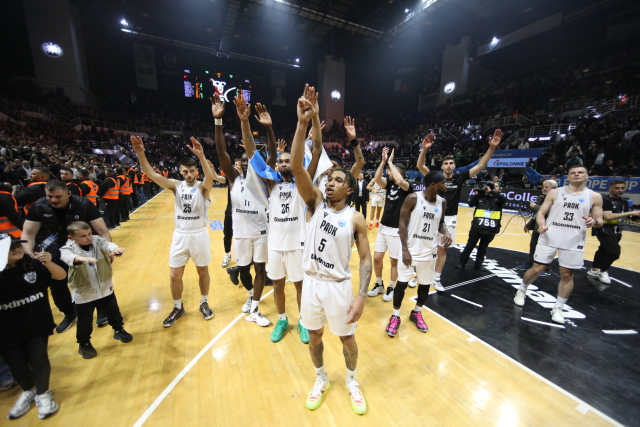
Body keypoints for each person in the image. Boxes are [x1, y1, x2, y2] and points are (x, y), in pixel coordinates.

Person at [291, 85, 371, 415]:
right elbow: (297, 167)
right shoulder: (315, 203)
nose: (330, 182)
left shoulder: (356, 218)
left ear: (350, 189)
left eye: (338, 180)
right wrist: (303, 124)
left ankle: (352, 380)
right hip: (312, 282)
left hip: (339, 286)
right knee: (314, 336)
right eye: (329, 179)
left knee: (347, 339)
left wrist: (362, 295)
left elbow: (365, 259)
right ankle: (321, 378)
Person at [235, 97, 309, 342]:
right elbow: (251, 152)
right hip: (275, 244)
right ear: (277, 165)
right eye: (281, 161)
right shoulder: (270, 183)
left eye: (288, 161)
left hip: (297, 244)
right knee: (278, 285)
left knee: (299, 285)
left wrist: (304, 123)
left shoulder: (302, 183)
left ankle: (303, 321)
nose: (285, 163)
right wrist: (245, 122)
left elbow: (308, 152)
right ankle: (282, 319)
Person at [131, 135, 215, 327]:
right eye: (185, 171)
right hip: (180, 235)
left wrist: (201, 156)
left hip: (199, 234)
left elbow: (210, 177)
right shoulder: (176, 186)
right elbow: (152, 175)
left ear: (196, 171)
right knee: (174, 275)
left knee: (203, 272)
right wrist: (141, 154)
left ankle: (204, 303)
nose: (188, 174)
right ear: (180, 171)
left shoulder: (203, 188)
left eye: (192, 171)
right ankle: (178, 307)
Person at [513, 165, 604, 324]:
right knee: (537, 269)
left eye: (580, 172)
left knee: (567, 275)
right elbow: (541, 213)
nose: (577, 174)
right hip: (550, 236)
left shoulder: (594, 196)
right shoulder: (555, 192)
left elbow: (600, 220)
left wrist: (594, 221)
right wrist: (541, 224)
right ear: (568, 177)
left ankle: (558, 308)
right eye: (573, 173)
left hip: (574, 239)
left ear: (587, 176)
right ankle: (522, 290)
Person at [21, 180, 112, 333]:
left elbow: (102, 231)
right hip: (55, 243)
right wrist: (29, 253)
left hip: (82, 243)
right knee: (56, 281)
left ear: (68, 194)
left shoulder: (83, 204)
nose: (53, 200)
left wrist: (107, 250)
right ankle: (69, 313)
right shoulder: (39, 206)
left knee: (91, 277)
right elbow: (28, 233)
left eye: (58, 197)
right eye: (50, 196)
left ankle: (101, 310)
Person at [212, 94, 271, 326]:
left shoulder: (264, 180)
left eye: (250, 160)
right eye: (243, 161)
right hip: (242, 234)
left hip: (261, 233)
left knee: (260, 270)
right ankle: (250, 295)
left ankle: (255, 307)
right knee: (244, 270)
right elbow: (221, 154)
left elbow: (271, 155)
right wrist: (218, 122)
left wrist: (266, 128)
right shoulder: (234, 179)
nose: (246, 163)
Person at [417, 130, 502, 291]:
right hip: (432, 217)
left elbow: (480, 165)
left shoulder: (459, 177)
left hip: (449, 219)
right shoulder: (435, 177)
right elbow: (420, 166)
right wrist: (424, 149)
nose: (448, 166)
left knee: (442, 249)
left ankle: (436, 278)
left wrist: (492, 148)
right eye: (446, 164)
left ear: (454, 166)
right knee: (426, 247)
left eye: (451, 163)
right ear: (442, 166)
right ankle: (420, 275)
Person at [0, 234, 64, 419]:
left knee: (38, 359)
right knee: (16, 364)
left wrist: (49, 263)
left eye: (17, 245)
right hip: (6, 329)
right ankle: (30, 390)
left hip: (36, 323)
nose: (17, 248)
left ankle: (43, 393)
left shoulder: (33, 265)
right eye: (10, 247)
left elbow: (60, 276)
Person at [386, 171, 450, 337]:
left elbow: (441, 224)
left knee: (425, 285)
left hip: (429, 252)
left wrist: (446, 232)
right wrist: (404, 249)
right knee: (401, 284)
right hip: (410, 251)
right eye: (443, 183)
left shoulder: (442, 202)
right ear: (433, 185)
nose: (446, 185)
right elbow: (402, 224)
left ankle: (417, 312)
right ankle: (395, 316)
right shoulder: (413, 198)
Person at [60, 221, 132, 359]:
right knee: (84, 320)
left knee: (114, 312)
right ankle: (84, 343)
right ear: (71, 238)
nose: (88, 237)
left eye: (89, 234)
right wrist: (79, 258)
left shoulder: (97, 240)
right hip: (84, 293)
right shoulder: (67, 248)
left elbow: (107, 245)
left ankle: (119, 330)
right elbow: (66, 257)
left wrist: (115, 249)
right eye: (82, 236)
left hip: (105, 287)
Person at [367, 146, 413, 302]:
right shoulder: (389, 184)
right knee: (377, 257)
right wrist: (383, 161)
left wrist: (391, 162)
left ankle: (392, 286)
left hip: (397, 229)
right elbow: (377, 178)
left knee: (394, 261)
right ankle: (379, 284)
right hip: (384, 226)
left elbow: (399, 180)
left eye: (391, 171)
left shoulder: (408, 186)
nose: (389, 173)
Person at [587, 180, 640, 284]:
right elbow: (608, 216)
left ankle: (594, 269)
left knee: (603, 250)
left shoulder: (624, 202)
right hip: (604, 229)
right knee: (614, 253)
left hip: (617, 230)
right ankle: (603, 271)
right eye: (617, 188)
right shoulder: (605, 199)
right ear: (610, 189)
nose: (620, 190)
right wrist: (631, 213)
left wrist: (633, 215)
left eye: (622, 188)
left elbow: (623, 216)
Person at [456, 182, 506, 270]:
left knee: (483, 248)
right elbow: (471, 204)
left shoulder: (499, 200)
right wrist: (479, 193)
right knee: (470, 246)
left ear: (499, 189)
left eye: (496, 187)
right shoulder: (481, 197)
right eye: (492, 187)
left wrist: (491, 192)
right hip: (477, 228)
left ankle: (478, 265)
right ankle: (462, 263)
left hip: (490, 229)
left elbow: (503, 199)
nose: (494, 188)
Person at [515, 179, 557, 273]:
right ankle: (530, 264)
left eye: (547, 187)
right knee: (533, 246)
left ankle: (545, 268)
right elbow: (537, 215)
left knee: (546, 249)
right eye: (543, 187)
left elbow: (551, 214)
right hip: (538, 228)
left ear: (554, 189)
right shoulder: (541, 198)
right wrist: (529, 225)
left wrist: (535, 206)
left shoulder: (557, 200)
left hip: (549, 229)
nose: (544, 189)